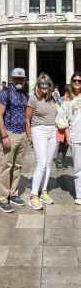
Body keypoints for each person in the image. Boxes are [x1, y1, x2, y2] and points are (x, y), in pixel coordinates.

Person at [0, 67, 29, 213]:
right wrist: (4, 136)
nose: (19, 81)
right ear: (12, 79)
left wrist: (28, 136)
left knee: (17, 166)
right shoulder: (4, 94)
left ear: (25, 80)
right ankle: (3, 199)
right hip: (10, 133)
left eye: (21, 79)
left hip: (22, 135)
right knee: (6, 166)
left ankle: (13, 193)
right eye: (16, 78)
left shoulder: (25, 95)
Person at [25, 74, 57, 210]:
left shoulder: (52, 99)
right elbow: (27, 119)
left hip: (52, 130)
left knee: (48, 163)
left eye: (47, 84)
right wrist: (29, 136)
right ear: (37, 86)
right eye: (41, 84)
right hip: (39, 130)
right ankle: (33, 195)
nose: (44, 87)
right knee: (41, 163)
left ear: (50, 86)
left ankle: (43, 191)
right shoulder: (33, 99)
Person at [66, 72, 81, 204]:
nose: (77, 82)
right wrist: (68, 136)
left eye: (79, 81)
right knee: (78, 167)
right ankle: (79, 195)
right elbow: (64, 120)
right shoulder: (68, 99)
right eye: (75, 80)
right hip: (76, 136)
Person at [55, 84, 72, 169]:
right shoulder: (61, 100)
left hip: (66, 125)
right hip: (64, 125)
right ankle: (59, 161)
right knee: (63, 144)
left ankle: (60, 160)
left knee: (65, 143)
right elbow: (59, 112)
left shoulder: (62, 99)